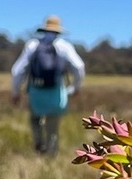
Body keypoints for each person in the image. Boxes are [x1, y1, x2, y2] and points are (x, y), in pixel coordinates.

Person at [10, 15, 86, 156]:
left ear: (44, 29)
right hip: (56, 91)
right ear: (59, 31)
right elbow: (79, 67)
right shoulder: (64, 46)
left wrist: (15, 92)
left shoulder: (32, 45)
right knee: (52, 126)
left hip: (36, 90)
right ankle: (51, 154)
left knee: (35, 119)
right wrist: (75, 87)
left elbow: (18, 70)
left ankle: (39, 145)